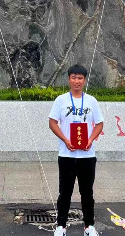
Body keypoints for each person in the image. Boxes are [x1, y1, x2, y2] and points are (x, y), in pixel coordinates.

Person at [49, 64, 104, 236]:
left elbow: (100, 124)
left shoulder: (91, 101)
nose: (77, 81)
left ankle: (89, 226)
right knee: (64, 192)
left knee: (87, 192)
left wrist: (90, 139)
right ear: (69, 79)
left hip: (87, 156)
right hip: (66, 154)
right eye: (73, 77)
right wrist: (65, 140)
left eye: (80, 78)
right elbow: (52, 122)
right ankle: (61, 226)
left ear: (84, 80)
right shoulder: (61, 100)